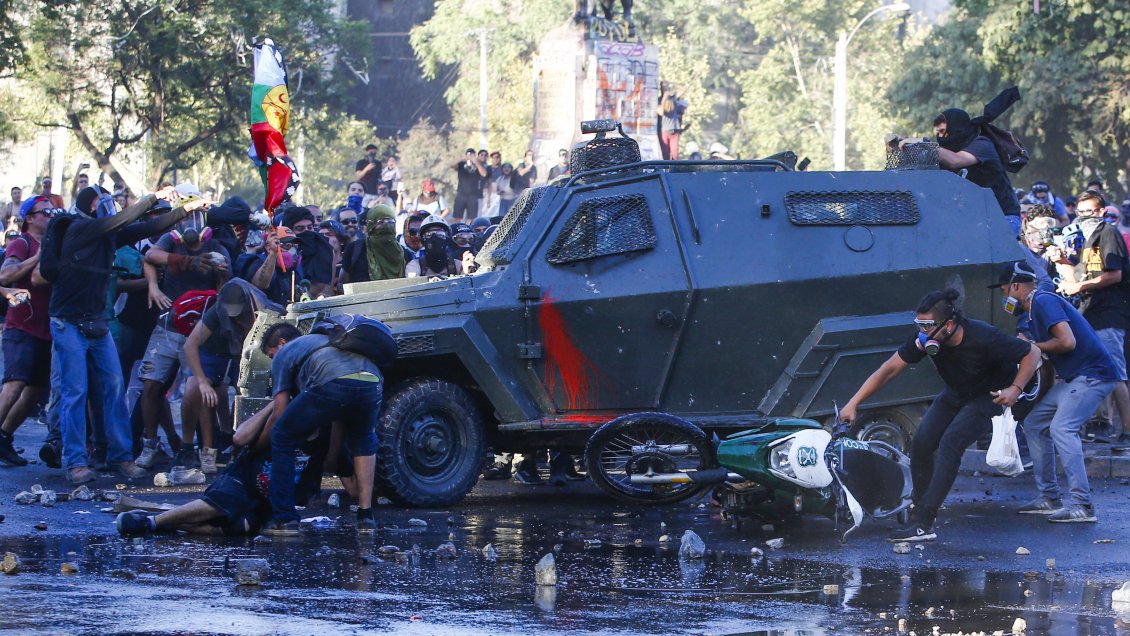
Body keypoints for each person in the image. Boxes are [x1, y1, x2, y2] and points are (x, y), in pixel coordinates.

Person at [839, 288, 1040, 542]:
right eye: (919, 325)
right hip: (957, 391)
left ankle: (924, 522)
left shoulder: (983, 336)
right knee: (922, 442)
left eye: (928, 325)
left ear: (949, 324)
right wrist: (853, 403)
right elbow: (889, 369)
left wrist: (1015, 388)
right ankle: (919, 512)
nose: (923, 332)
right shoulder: (925, 340)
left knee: (951, 443)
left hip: (990, 395)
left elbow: (1031, 353)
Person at [45, 185, 196, 484]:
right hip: (68, 322)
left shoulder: (107, 236)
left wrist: (185, 210)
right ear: (92, 207)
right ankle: (75, 462)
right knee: (76, 392)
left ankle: (121, 458)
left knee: (115, 389)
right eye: (105, 203)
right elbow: (123, 220)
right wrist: (153, 197)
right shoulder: (79, 229)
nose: (111, 208)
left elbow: (149, 226)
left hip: (96, 322)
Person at [990, 261, 1116, 522]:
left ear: (1015, 286)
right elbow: (1044, 360)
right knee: (1035, 423)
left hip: (1094, 375)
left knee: (1062, 428)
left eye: (1003, 291)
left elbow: (1066, 342)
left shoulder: (1043, 301)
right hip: (1076, 377)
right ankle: (1049, 498)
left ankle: (1083, 506)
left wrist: (1034, 347)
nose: (1004, 298)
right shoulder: (1034, 309)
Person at [114, 400, 329, 537]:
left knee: (242, 527)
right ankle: (152, 521)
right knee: (226, 503)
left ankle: (166, 524)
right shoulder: (279, 421)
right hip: (242, 481)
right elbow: (240, 437)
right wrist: (274, 405)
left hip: (267, 499)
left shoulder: (323, 436)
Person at [257, 322, 381, 535]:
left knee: (282, 436)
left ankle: (284, 518)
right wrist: (332, 456)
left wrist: (258, 445)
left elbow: (279, 412)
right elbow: (338, 420)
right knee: (364, 440)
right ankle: (366, 517)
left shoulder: (285, 353)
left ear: (281, 343)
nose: (272, 359)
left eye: (270, 355)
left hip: (331, 381)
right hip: (373, 380)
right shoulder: (328, 343)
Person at [137, 206, 231, 473]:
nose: (190, 224)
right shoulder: (170, 242)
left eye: (195, 217)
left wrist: (219, 275)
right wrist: (154, 286)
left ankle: (205, 451)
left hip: (201, 331)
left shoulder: (217, 247)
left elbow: (226, 287)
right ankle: (150, 444)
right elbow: (151, 256)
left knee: (198, 390)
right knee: (151, 385)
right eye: (185, 217)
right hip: (168, 324)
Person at [180, 279, 284, 472]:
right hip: (214, 352)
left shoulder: (263, 310)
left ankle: (241, 448)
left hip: (246, 355)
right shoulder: (215, 312)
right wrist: (203, 383)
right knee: (194, 387)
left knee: (250, 390)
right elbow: (189, 345)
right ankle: (195, 449)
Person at [1052, 191, 1130, 442]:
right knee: (1096, 371)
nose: (1082, 216)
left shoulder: (1107, 234)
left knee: (1115, 373)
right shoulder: (1082, 237)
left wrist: (1080, 287)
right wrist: (1061, 259)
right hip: (1089, 312)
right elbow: (1074, 273)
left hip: (1109, 312)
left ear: (1100, 212)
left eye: (1088, 212)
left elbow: (1113, 275)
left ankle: (1128, 430)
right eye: (1079, 211)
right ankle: (1099, 425)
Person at [0, 196, 55, 465]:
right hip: (20, 327)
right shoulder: (23, 243)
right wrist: (37, 258)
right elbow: (4, 276)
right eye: (45, 211)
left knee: (35, 391)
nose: (50, 215)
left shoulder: (53, 243)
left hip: (45, 330)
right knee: (14, 384)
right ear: (30, 218)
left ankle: (4, 437)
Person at [916, 104, 1021, 236]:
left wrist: (924, 144)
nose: (940, 137)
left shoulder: (982, 144)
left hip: (1004, 217)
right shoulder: (946, 152)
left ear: (956, 128)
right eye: (938, 133)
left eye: (943, 131)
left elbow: (956, 161)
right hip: (975, 220)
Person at [340, 205, 407, 285]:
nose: (386, 225)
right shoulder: (355, 249)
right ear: (370, 225)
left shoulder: (403, 253)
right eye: (381, 222)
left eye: (390, 221)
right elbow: (343, 280)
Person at [452, 148, 488, 223]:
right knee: (457, 217)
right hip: (461, 194)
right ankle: (456, 230)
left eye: (472, 154)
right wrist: (463, 158)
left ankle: (469, 231)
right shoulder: (461, 164)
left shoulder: (478, 164)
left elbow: (484, 174)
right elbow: (452, 165)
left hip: (473, 195)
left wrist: (476, 162)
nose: (470, 156)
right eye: (469, 154)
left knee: (471, 218)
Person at [657, 82, 688, 160]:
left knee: (675, 152)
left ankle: (675, 169)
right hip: (664, 130)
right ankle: (665, 169)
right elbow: (661, 112)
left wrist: (672, 84)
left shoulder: (672, 98)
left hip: (674, 130)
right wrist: (664, 97)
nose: (666, 89)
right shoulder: (659, 100)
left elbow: (684, 88)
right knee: (665, 152)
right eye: (664, 88)